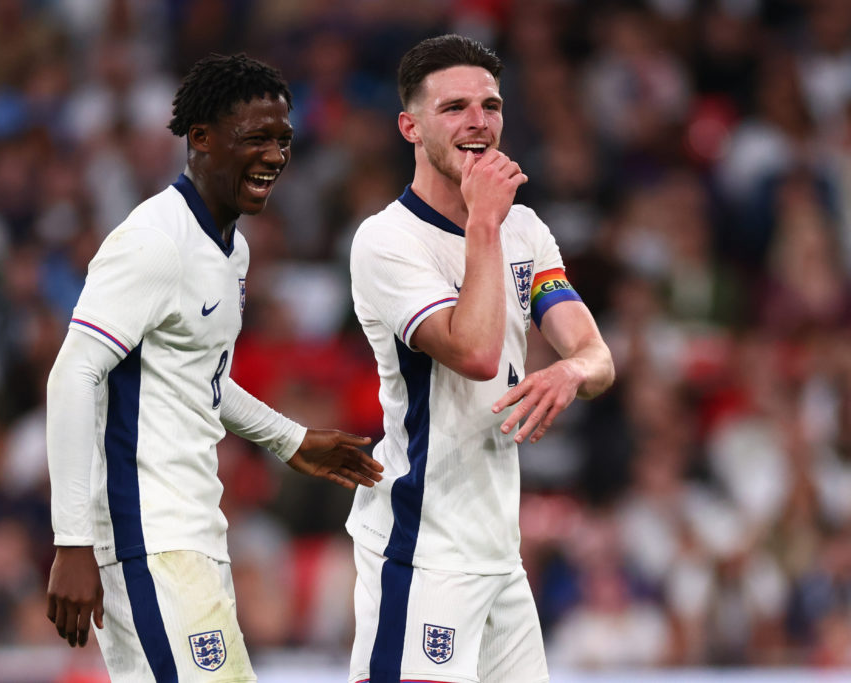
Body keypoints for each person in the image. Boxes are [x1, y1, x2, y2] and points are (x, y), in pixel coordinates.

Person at [44, 53, 383, 682]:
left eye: (284, 139)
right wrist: (72, 541)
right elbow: (74, 374)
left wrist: (291, 440)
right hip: (147, 536)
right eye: (256, 138)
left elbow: (200, 377)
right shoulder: (154, 240)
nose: (276, 156)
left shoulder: (232, 251)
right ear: (200, 139)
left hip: (194, 533)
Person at [345, 35, 615, 683]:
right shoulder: (387, 241)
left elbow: (596, 354)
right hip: (420, 547)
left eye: (490, 105)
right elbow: (474, 350)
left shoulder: (526, 230)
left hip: (498, 554)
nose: (479, 121)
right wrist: (484, 226)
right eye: (455, 107)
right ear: (410, 125)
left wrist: (571, 370)